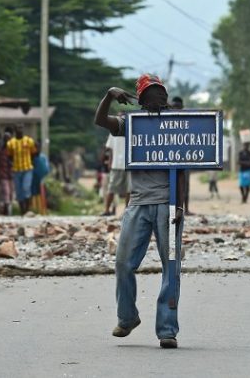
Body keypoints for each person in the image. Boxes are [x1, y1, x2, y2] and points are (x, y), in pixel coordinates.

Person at [94, 73, 184, 349]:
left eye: (161, 93)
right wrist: (109, 94)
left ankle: (167, 329)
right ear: (141, 100)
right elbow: (101, 120)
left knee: (171, 268)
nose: (158, 98)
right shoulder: (131, 124)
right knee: (123, 263)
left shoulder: (178, 125)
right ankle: (127, 317)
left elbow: (182, 170)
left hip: (168, 205)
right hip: (138, 204)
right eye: (152, 94)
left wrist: (179, 204)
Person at [6, 125, 37, 214]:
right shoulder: (11, 143)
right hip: (16, 169)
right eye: (18, 128)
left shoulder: (29, 141)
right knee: (19, 191)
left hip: (27, 168)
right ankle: (22, 211)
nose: (20, 130)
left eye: (21, 128)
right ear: (15, 130)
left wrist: (31, 162)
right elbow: (9, 156)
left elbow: (33, 153)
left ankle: (27, 209)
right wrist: (11, 164)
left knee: (26, 188)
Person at [170, 96, 193, 215]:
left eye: (178, 107)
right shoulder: (166, 120)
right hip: (169, 159)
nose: (175, 109)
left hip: (184, 159)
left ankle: (185, 209)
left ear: (182, 108)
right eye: (174, 107)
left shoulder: (187, 122)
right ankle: (172, 209)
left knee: (185, 185)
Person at [102, 125, 130, 216]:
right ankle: (106, 210)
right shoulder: (113, 132)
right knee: (112, 188)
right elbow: (110, 149)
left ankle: (127, 211)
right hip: (116, 164)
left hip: (129, 163)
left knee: (129, 189)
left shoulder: (130, 129)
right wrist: (110, 161)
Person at [0, 128, 14, 215]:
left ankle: (7, 207)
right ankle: (6, 207)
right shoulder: (0, 151)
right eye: (5, 139)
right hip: (3, 174)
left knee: (10, 192)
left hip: (12, 174)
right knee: (5, 191)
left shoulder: (13, 151)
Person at [30, 140, 50, 214]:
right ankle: (34, 210)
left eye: (38, 147)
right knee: (32, 194)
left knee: (41, 194)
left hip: (41, 179)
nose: (37, 149)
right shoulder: (30, 157)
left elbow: (46, 169)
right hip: (32, 179)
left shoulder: (43, 157)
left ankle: (42, 211)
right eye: (35, 147)